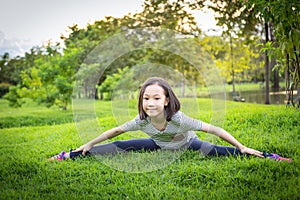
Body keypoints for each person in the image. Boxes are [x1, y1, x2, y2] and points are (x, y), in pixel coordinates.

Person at [48, 77, 291, 162]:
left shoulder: (180, 119)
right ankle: (69, 155)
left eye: (155, 98)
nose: (150, 103)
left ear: (166, 100)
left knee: (220, 151)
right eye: (145, 98)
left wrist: (241, 146)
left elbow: (215, 129)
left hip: (188, 144)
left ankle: (268, 156)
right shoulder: (142, 121)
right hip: (159, 144)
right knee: (121, 147)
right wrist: (89, 144)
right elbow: (115, 132)